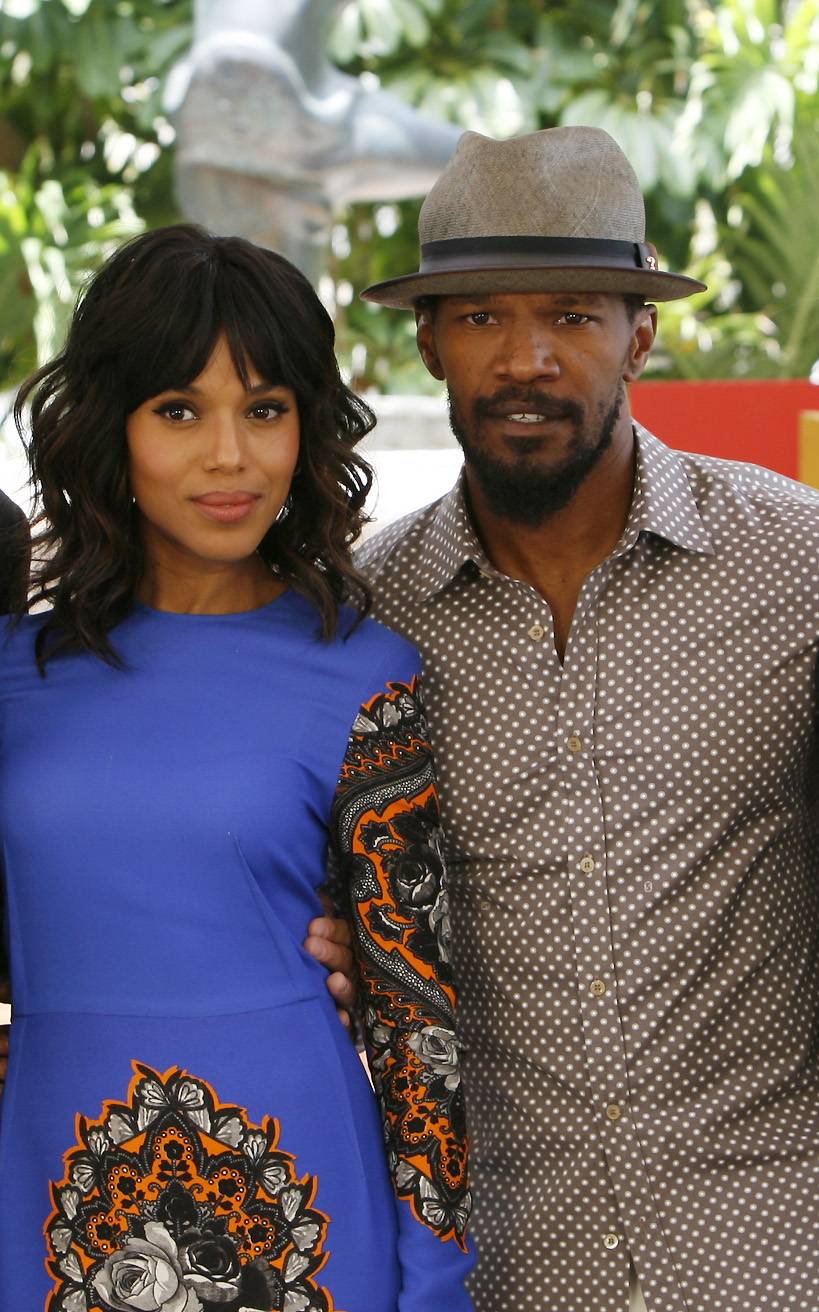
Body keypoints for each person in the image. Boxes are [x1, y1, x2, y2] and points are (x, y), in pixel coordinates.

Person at [328, 126, 816, 1312]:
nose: (526, 359)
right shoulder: (358, 622)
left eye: (573, 316)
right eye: (484, 317)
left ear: (640, 333)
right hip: (501, 1268)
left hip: (772, 1250)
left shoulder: (795, 565)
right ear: (430, 340)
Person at [0, 224, 474, 1311]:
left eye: (265, 410)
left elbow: (417, 1023)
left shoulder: (366, 676)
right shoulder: (13, 675)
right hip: (49, 1185)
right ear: (108, 430)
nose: (230, 455)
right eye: (180, 411)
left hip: (296, 1203)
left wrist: (436, 1281)